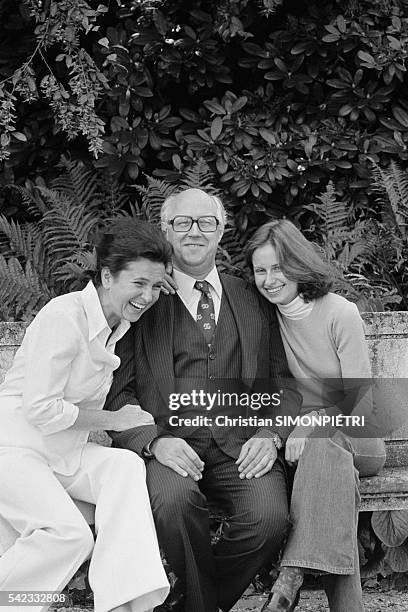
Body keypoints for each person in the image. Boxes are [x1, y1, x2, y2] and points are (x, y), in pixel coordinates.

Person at [104, 188, 301, 612]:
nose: (195, 231)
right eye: (182, 223)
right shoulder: (144, 299)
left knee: (268, 518)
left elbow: (284, 382)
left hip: (240, 445)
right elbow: (117, 390)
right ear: (165, 230)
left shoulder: (253, 297)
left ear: (221, 230)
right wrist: (153, 441)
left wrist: (270, 433)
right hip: (170, 446)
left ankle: (190, 604)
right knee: (173, 503)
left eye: (205, 222)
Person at [0, 219, 172, 612]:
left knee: (123, 466)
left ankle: (125, 603)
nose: (147, 296)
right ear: (107, 276)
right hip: (14, 450)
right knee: (69, 535)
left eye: (156, 286)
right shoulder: (65, 316)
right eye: (139, 283)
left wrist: (158, 274)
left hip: (61, 453)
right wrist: (115, 420)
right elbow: (40, 408)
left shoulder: (117, 324)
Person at [246, 219, 387, 612]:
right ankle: (337, 605)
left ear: (299, 264)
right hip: (309, 448)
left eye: (279, 267)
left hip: (356, 435)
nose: (270, 279)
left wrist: (312, 422)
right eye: (261, 270)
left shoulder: (339, 313)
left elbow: (359, 398)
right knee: (330, 469)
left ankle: (290, 572)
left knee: (326, 448)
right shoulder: (266, 315)